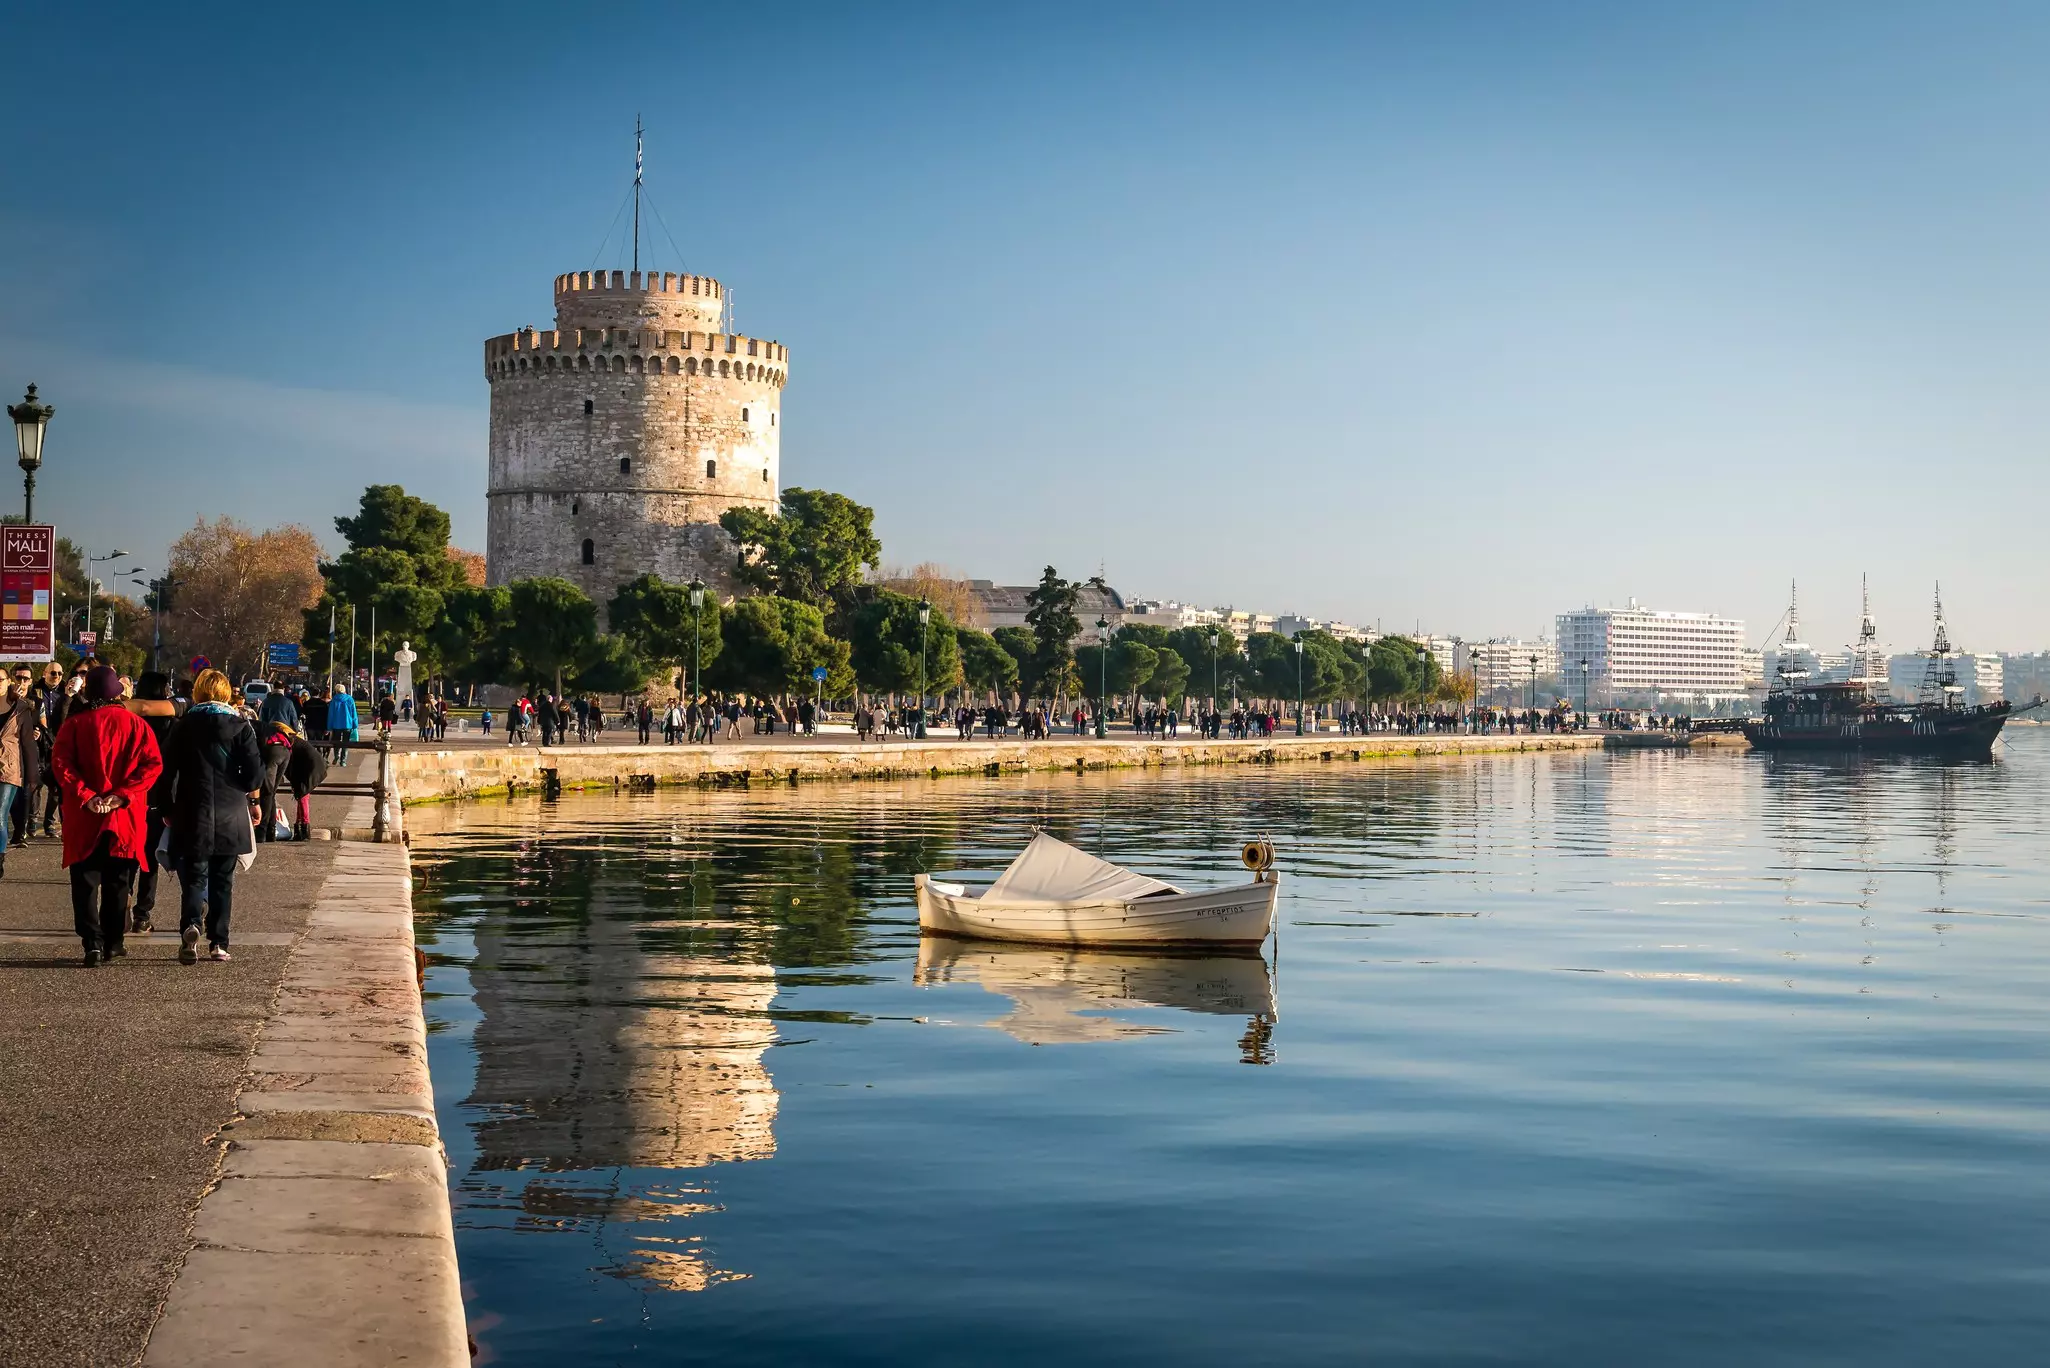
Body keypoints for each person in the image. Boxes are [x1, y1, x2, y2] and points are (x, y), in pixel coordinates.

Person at [49, 665, 162, 966]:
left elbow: (61, 764)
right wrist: (122, 794)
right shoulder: (137, 725)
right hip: (123, 814)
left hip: (84, 813)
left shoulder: (74, 725)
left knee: (85, 881)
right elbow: (152, 765)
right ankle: (114, 940)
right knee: (118, 881)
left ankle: (92, 943)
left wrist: (86, 795)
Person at [163, 669, 263, 964]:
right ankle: (219, 942)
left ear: (198, 692)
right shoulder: (241, 727)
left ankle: (191, 926)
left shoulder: (181, 726)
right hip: (230, 811)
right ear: (225, 694)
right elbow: (255, 774)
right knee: (223, 881)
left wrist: (165, 808)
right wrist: (246, 793)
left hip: (192, 810)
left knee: (194, 878)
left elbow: (165, 771)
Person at [125, 672, 182, 930]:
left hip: (129, 794)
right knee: (149, 858)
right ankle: (142, 913)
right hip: (158, 795)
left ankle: (122, 901)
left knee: (126, 854)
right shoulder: (171, 720)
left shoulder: (128, 717)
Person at [0, 666, 41, 879]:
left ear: (8, 682)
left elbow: (27, 743)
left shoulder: (21, 708)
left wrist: (32, 775)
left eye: (0, 679)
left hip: (8, 767)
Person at [326, 685, 359, 766]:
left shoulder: (334, 700)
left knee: (336, 741)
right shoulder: (350, 699)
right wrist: (355, 725)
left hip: (336, 724)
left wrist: (329, 726)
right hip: (347, 724)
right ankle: (343, 760)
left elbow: (331, 714)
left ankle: (336, 755)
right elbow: (353, 713)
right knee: (345, 743)